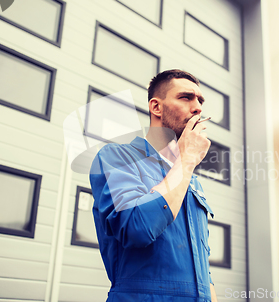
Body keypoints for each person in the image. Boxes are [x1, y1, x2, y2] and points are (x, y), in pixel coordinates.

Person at [90, 69, 218, 302]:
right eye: (186, 97)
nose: (198, 107)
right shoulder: (117, 158)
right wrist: (187, 160)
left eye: (200, 101)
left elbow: (204, 267)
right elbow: (136, 228)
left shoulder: (191, 181)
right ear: (156, 107)